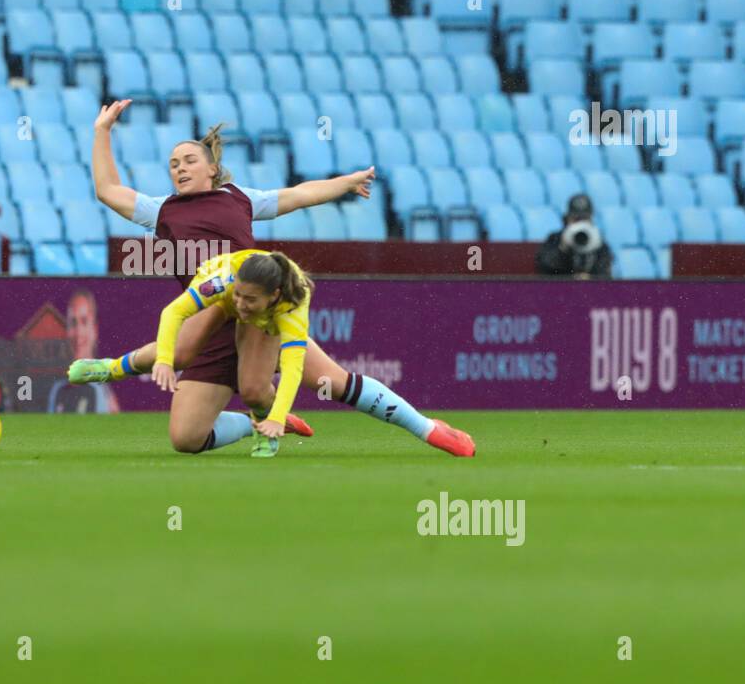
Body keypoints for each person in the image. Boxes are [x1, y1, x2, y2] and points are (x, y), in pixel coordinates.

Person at [72, 99, 475, 458]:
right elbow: (107, 190)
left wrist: (346, 185)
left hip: (256, 308)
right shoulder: (161, 210)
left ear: (212, 168)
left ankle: (428, 428)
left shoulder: (240, 197)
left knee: (328, 381)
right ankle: (255, 422)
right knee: (185, 439)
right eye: (173, 164)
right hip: (211, 310)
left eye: (189, 160)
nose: (180, 168)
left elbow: (300, 195)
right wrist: (102, 131)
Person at [153, 249, 314, 458]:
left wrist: (276, 416)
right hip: (223, 299)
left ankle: (267, 428)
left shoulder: (292, 306)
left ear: (274, 295)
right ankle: (111, 368)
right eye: (238, 295)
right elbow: (173, 312)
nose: (240, 303)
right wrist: (164, 360)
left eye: (249, 298)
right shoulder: (223, 280)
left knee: (253, 391)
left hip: (266, 318)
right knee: (184, 440)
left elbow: (293, 366)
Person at [46, 288, 119, 413]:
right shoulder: (57, 391)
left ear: (94, 330)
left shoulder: (103, 392)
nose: (78, 332)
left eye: (84, 322)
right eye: (73, 323)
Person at [536, 194, 613, 278]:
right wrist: (563, 248)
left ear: (590, 219)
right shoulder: (555, 239)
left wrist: (590, 277)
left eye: (584, 219)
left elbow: (605, 275)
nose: (580, 224)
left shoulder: (598, 242)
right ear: (567, 219)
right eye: (576, 219)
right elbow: (545, 267)